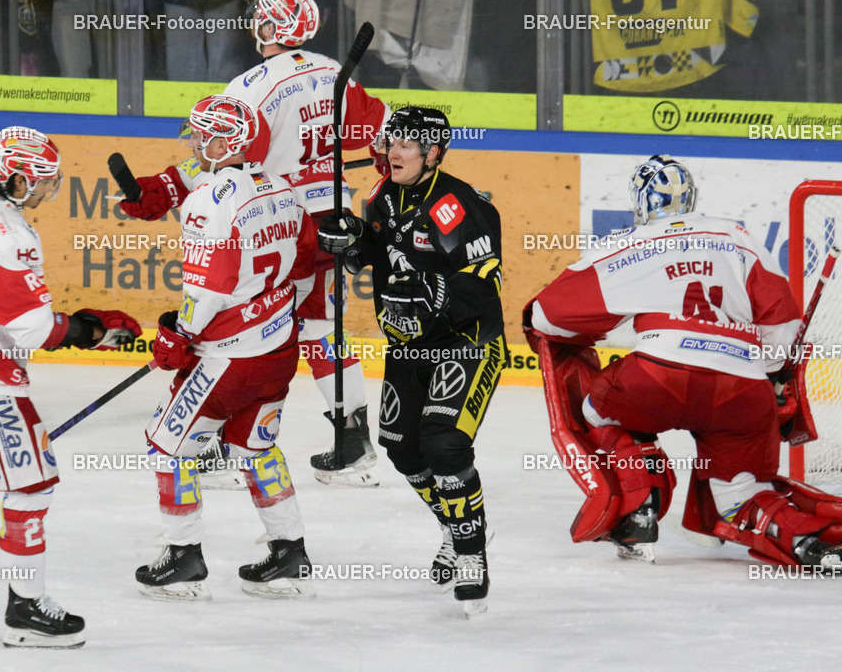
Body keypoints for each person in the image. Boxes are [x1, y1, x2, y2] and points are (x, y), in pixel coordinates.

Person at [121, 0, 391, 487]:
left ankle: (224, 441)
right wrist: (381, 168)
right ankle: (352, 442)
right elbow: (381, 125)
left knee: (247, 328)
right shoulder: (332, 70)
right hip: (333, 221)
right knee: (323, 329)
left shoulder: (251, 85)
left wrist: (166, 186)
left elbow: (218, 155)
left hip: (273, 222)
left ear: (268, 28)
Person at [524, 154, 842, 567]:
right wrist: (770, 374)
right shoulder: (735, 234)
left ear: (640, 202)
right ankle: (805, 541)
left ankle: (641, 504)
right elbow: (783, 321)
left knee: (597, 412)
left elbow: (547, 315)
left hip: (657, 377)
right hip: (742, 391)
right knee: (742, 495)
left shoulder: (628, 242)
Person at [0, 126, 142, 647]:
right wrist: (86, 331)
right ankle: (27, 609)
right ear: (15, 179)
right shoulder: (12, 237)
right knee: (32, 485)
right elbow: (32, 329)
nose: (48, 190)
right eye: (41, 182)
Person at [318, 106, 506, 616]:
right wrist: (353, 240)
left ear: (434, 153)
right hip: (408, 347)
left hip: (466, 343)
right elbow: (379, 259)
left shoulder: (459, 206)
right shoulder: (384, 197)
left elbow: (484, 284)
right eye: (390, 141)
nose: (392, 151)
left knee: (444, 445)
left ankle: (471, 554)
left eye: (405, 144)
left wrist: (434, 288)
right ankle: (455, 523)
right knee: (403, 450)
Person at [135, 94, 318, 601]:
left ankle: (183, 556)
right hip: (279, 351)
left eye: (199, 135)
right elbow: (304, 264)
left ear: (222, 142)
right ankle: (289, 552)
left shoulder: (207, 202)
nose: (192, 142)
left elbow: (207, 290)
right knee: (254, 447)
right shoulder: (282, 188)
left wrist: (179, 335)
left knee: (169, 448)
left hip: (228, 358)